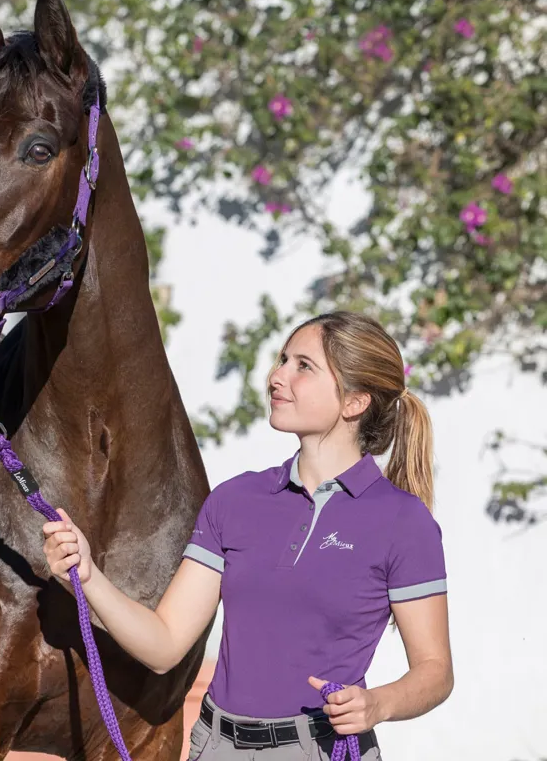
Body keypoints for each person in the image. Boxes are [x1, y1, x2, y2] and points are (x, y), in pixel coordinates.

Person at [42, 311, 453, 760]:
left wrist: (379, 704)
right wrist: (87, 576)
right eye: (282, 360)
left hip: (317, 749)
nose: (277, 376)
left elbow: (435, 671)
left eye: (303, 366)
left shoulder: (403, 522)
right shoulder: (234, 500)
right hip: (215, 745)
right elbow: (164, 644)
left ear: (355, 402)